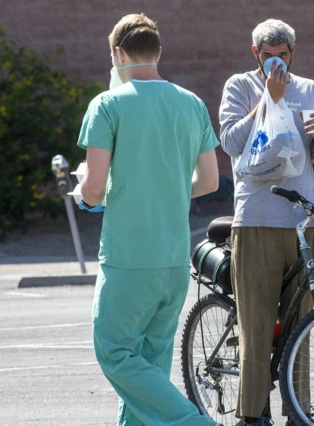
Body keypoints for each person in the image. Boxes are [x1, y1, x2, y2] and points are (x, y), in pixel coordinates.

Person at [77, 13, 220, 426]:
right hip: (175, 257)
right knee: (150, 368)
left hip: (128, 256)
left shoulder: (106, 104)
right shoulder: (191, 102)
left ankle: (197, 423)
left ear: (118, 53)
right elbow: (209, 181)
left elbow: (93, 189)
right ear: (157, 52)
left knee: (115, 353)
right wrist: (168, 187)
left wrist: (84, 187)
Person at [219, 18, 314, 426]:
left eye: (282, 57)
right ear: (256, 55)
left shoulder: (310, 89)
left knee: (302, 321)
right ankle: (252, 414)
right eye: (268, 57)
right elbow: (231, 143)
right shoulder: (239, 86)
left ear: (293, 53)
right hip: (257, 220)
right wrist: (265, 101)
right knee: (257, 324)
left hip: (303, 221)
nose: (276, 65)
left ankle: (298, 409)